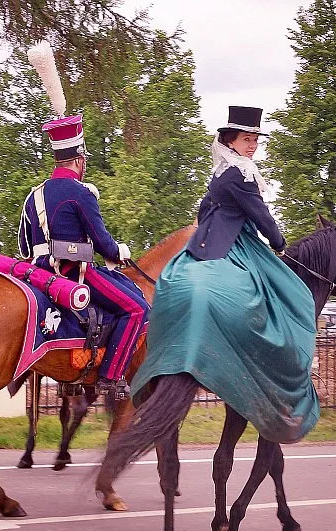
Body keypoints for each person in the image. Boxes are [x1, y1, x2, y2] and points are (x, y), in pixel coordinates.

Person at [130, 105, 320, 442]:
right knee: (286, 290)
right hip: (230, 244)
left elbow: (206, 210)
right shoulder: (239, 175)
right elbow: (261, 216)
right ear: (231, 140)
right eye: (247, 139)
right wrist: (279, 243)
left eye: (255, 140)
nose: (253, 145)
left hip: (212, 240)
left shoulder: (224, 170)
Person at [18, 114, 149, 397]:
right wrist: (120, 252)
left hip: (38, 275)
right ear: (80, 159)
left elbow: (24, 246)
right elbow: (103, 243)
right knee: (137, 309)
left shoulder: (33, 196)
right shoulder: (82, 193)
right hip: (75, 274)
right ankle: (110, 376)